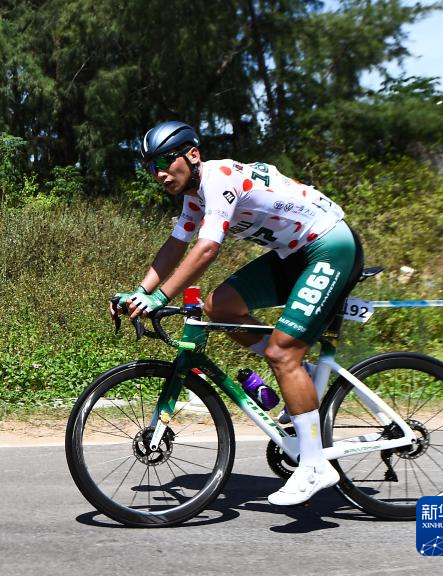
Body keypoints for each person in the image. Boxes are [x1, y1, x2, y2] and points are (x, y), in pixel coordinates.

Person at [112, 121, 362, 506]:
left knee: (282, 353)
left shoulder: (219, 179)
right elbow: (175, 245)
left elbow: (207, 248)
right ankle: (303, 374)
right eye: (150, 166)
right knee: (220, 307)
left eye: (165, 161)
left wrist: (161, 296)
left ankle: (315, 465)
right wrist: (140, 292)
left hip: (330, 246)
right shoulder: (194, 198)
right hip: (293, 255)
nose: (159, 173)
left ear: (193, 155)